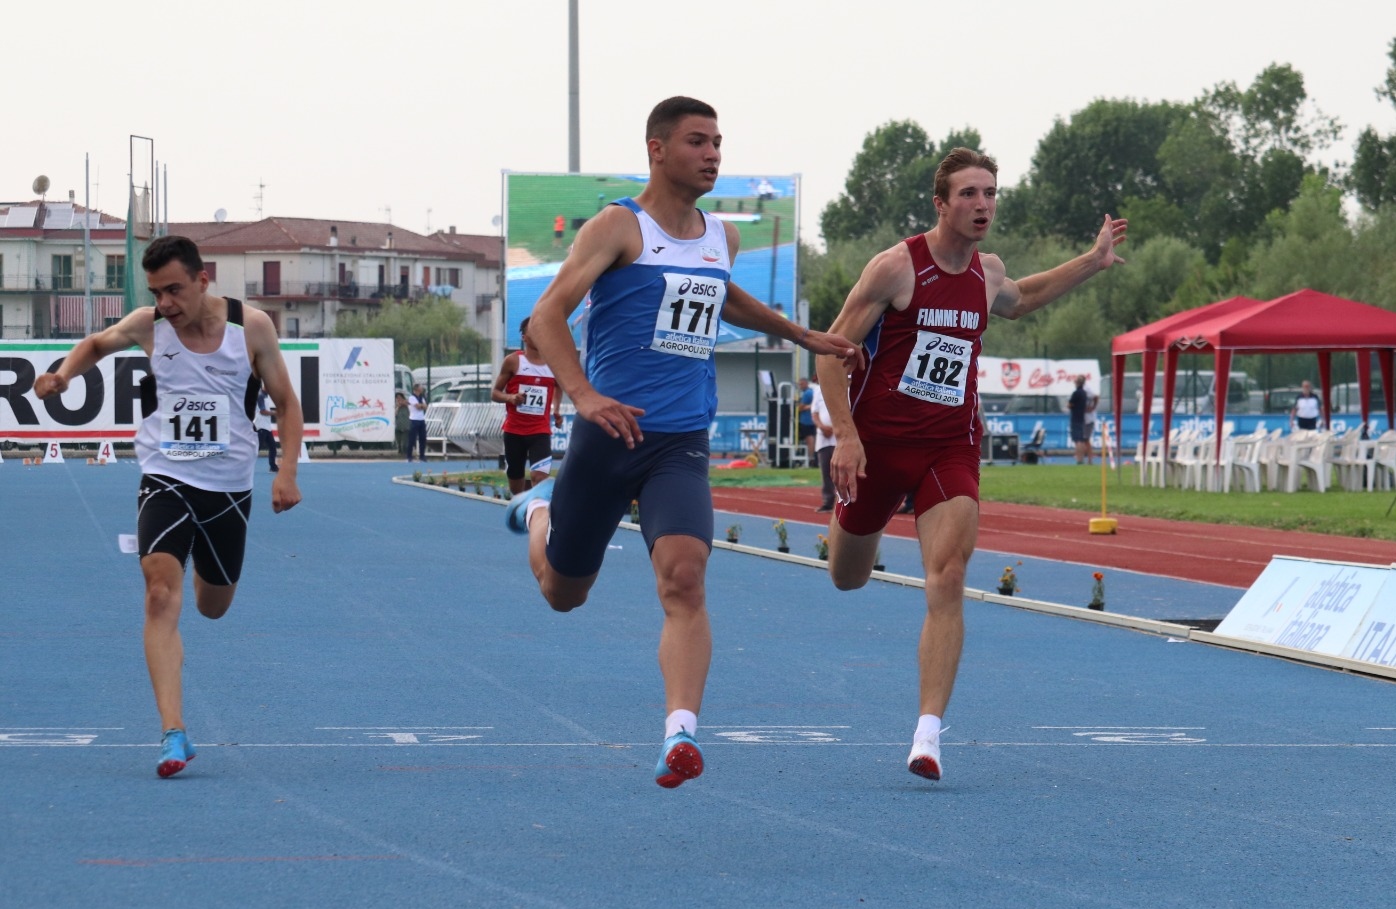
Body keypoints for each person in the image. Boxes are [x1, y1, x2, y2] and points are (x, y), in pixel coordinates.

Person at [502, 96, 862, 788]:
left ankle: (680, 734)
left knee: (685, 577)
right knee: (562, 592)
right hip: (609, 436)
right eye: (698, 141)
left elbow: (723, 296)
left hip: (680, 442)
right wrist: (585, 395)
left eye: (719, 142)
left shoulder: (720, 236)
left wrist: (800, 335)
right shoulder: (619, 227)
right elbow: (546, 316)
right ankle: (539, 510)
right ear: (657, 149)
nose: (714, 154)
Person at [814, 147, 1126, 782]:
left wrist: (1093, 262)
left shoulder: (988, 272)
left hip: (949, 445)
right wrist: (845, 436)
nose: (983, 205)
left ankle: (927, 735)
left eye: (990, 193)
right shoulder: (896, 268)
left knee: (949, 576)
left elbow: (1022, 297)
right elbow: (827, 350)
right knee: (847, 577)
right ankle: (853, 523)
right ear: (941, 203)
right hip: (879, 446)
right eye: (969, 194)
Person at [33, 234, 303, 778]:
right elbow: (96, 343)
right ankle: (173, 732)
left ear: (203, 280)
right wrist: (62, 375)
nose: (165, 304)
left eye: (174, 290)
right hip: (166, 475)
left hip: (228, 488)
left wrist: (287, 472)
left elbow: (287, 403)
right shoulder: (149, 325)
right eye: (156, 292)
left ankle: (203, 563)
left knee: (212, 606)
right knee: (159, 592)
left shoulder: (251, 328)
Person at [492, 316, 563, 494]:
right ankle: (522, 505)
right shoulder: (513, 361)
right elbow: (495, 393)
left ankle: (535, 507)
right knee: (516, 485)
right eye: (534, 331)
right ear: (524, 337)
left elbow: (558, 386)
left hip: (540, 431)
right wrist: (510, 398)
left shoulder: (553, 363)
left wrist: (556, 409)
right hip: (514, 431)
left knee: (540, 478)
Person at [809, 375, 836, 512]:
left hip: (840, 437)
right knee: (826, 471)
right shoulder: (818, 390)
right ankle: (828, 502)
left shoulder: (846, 389)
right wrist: (822, 427)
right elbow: (814, 412)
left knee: (844, 472)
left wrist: (836, 428)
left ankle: (846, 503)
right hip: (823, 438)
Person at [1068, 375, 1099, 464]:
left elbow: (1096, 397)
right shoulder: (1083, 391)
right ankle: (1083, 458)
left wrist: (1093, 407)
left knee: (1084, 439)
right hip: (1083, 418)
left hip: (1087, 419)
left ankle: (1088, 459)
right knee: (1083, 440)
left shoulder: (1086, 390)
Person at [254, 382, 279, 472]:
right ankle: (244, 465)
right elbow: (262, 411)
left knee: (272, 447)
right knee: (257, 448)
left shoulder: (264, 396)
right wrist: (274, 413)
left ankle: (273, 467)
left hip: (266, 426)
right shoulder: (260, 396)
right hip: (261, 425)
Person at [406, 382, 428, 461]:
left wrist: (421, 406)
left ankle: (422, 456)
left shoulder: (421, 398)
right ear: (417, 389)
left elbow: (425, 406)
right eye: (420, 387)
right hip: (414, 420)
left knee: (423, 438)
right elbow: (418, 407)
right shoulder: (412, 397)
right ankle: (409, 456)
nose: (422, 389)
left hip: (421, 420)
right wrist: (421, 406)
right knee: (412, 439)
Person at [797, 376, 816, 463]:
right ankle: (812, 458)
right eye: (799, 384)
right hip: (812, 420)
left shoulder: (807, 393)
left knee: (809, 440)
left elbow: (800, 408)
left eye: (801, 384)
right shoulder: (812, 392)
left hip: (806, 421)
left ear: (806, 383)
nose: (800, 386)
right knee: (812, 440)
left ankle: (811, 458)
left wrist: (802, 407)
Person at [394, 391, 410, 456]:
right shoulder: (396, 406)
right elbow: (395, 414)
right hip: (398, 426)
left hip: (406, 426)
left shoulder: (407, 405)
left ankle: (405, 453)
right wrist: (398, 406)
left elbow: (410, 405)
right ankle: (400, 452)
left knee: (404, 443)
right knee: (398, 442)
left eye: (400, 398)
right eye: (397, 398)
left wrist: (404, 403)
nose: (398, 399)